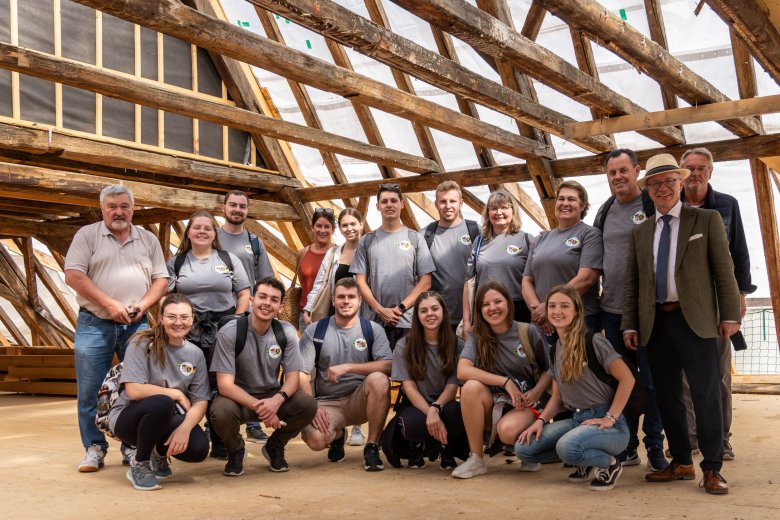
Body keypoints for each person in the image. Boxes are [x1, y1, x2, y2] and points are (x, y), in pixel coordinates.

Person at [623, 153, 741, 495]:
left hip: (698, 321)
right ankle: (682, 462)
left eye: (669, 181)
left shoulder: (705, 220)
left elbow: (724, 270)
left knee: (705, 395)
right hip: (656, 322)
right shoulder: (640, 231)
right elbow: (634, 282)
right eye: (655, 183)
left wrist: (730, 315)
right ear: (648, 188)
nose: (663, 188)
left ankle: (713, 467)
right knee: (667, 396)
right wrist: (631, 323)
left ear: (680, 182)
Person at [65, 185, 169, 472]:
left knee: (136, 388)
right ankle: (94, 448)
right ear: (102, 209)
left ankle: (132, 446)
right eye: (112, 206)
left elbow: (161, 279)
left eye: (124, 206)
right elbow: (73, 275)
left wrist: (145, 305)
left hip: (137, 323)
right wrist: (110, 304)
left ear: (132, 209)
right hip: (94, 322)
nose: (118, 212)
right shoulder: (88, 236)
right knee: (90, 390)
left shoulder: (147, 239)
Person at [515, 285, 633, 491]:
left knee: (566, 448)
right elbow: (557, 398)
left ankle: (610, 464)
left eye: (564, 306)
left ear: (577, 311)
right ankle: (583, 460)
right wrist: (541, 421)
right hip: (577, 420)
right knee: (524, 448)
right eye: (552, 306)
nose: (557, 311)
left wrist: (610, 417)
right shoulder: (555, 349)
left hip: (609, 425)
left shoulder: (594, 341)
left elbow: (628, 379)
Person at [593, 149, 667, 472]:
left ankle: (654, 445)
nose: (618, 177)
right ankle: (626, 447)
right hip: (612, 310)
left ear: (637, 171)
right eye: (612, 173)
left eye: (624, 170)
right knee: (620, 382)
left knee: (652, 381)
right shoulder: (605, 210)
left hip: (648, 311)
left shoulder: (650, 205)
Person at [680, 147, 756, 461]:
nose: (695, 174)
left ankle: (722, 437)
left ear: (710, 172)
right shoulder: (668, 204)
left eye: (701, 168)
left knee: (719, 373)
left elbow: (739, 253)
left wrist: (738, 297)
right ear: (681, 171)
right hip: (681, 302)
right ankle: (691, 437)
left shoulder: (727, 205)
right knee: (683, 375)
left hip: (716, 302)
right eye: (689, 168)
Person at [210, 276, 317, 476]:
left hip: (272, 395)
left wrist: (277, 401)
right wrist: (264, 409)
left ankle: (274, 446)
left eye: (274, 300)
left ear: (280, 306)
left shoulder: (286, 332)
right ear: (251, 300)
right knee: (220, 411)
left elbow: (293, 378)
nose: (267, 303)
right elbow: (225, 385)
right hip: (238, 398)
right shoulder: (230, 332)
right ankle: (236, 449)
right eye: (262, 297)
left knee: (307, 404)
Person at [167, 210, 251, 458]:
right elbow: (167, 296)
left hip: (223, 329)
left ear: (215, 233)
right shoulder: (177, 262)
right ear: (188, 232)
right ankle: (189, 434)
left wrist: (235, 320)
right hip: (188, 331)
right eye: (197, 227)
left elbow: (244, 293)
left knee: (220, 384)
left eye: (208, 227)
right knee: (190, 381)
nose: (202, 231)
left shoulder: (228, 259)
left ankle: (222, 439)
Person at [108, 294, 209, 491]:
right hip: (128, 418)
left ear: (192, 319)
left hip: (166, 416)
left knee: (198, 449)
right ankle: (140, 464)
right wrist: (177, 394)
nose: (178, 322)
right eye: (171, 317)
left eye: (184, 317)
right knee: (162, 402)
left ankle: (158, 453)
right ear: (161, 318)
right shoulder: (141, 342)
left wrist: (185, 428)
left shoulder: (195, 354)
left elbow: (201, 401)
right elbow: (134, 390)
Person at [451, 281, 551, 479]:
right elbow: (462, 370)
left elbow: (551, 369)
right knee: (471, 387)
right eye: (486, 304)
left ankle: (529, 448)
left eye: (498, 301)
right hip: (495, 402)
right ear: (480, 309)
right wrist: (504, 381)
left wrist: (537, 391)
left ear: (508, 303)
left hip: (525, 404)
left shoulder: (527, 331)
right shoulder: (477, 335)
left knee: (508, 431)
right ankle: (477, 458)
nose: (493, 308)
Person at [299, 278, 393, 471]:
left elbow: (389, 365)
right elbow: (301, 374)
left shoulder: (372, 330)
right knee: (316, 441)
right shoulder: (315, 330)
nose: (346, 301)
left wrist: (349, 367)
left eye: (351, 297)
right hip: (327, 402)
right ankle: (338, 435)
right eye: (341, 297)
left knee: (379, 380)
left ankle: (372, 446)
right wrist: (313, 408)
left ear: (360, 301)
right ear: (333, 300)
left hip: (360, 400)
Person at [303, 207, 368, 446]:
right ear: (339, 229)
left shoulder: (368, 249)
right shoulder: (334, 253)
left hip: (363, 317)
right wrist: (309, 309)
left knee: (359, 366)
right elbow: (321, 283)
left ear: (361, 224)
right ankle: (336, 424)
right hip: (334, 315)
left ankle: (359, 426)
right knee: (332, 367)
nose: (349, 229)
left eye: (353, 224)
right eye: (345, 225)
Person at [219, 190, 275, 445]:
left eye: (242, 206)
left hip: (250, 318)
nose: (237, 209)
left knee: (249, 370)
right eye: (233, 205)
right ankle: (217, 425)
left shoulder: (254, 242)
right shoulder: (212, 237)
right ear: (223, 208)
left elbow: (265, 279)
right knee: (220, 373)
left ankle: (253, 423)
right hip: (219, 316)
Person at [351, 183, 435, 349]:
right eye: (384, 201)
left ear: (402, 204)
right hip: (374, 322)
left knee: (407, 370)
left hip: (407, 322)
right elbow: (360, 281)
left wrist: (400, 309)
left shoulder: (415, 238)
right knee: (376, 371)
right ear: (378, 206)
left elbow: (426, 281)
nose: (389, 205)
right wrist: (380, 310)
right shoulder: (367, 241)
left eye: (393, 201)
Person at [390, 291, 466, 469]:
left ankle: (446, 447)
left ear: (443, 312)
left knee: (457, 414)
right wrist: (430, 412)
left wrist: (436, 407)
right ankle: (416, 446)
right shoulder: (404, 345)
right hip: (416, 404)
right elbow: (409, 388)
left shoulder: (457, 344)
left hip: (445, 403)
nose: (430, 314)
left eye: (434, 309)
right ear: (416, 316)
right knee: (413, 424)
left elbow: (453, 384)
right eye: (423, 311)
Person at [523, 181, 603, 339]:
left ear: (582, 205)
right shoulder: (541, 238)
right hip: (543, 323)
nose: (565, 203)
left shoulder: (590, 234)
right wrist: (538, 312)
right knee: (545, 364)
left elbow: (586, 279)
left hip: (577, 320)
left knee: (578, 364)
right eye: (561, 199)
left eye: (571, 199)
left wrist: (549, 307)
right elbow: (527, 280)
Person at [461, 190, 532, 338]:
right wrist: (467, 321)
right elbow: (468, 283)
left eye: (504, 207)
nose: (499, 212)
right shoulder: (479, 242)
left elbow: (537, 279)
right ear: (488, 213)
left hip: (518, 310)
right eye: (493, 208)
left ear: (513, 211)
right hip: (486, 309)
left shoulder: (526, 240)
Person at [425, 181, 480, 332]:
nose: (447, 206)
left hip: (474, 315)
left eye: (452, 201)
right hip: (439, 317)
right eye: (443, 201)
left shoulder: (475, 231)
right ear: (436, 204)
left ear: (461, 203)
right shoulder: (425, 235)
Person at [296, 207, 336, 328]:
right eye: (319, 226)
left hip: (329, 315)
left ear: (333, 229)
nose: (322, 230)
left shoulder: (338, 254)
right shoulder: (303, 253)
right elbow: (303, 281)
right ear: (312, 228)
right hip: (305, 315)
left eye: (327, 226)